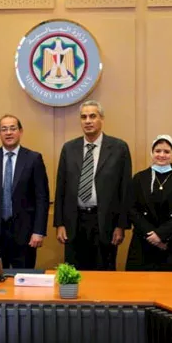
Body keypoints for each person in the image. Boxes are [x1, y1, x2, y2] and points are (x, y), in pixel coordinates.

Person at [54, 100, 132, 271]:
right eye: (83, 117)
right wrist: (59, 224)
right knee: (74, 274)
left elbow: (125, 190)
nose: (88, 121)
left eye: (92, 116)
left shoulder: (119, 148)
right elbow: (61, 188)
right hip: (75, 222)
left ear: (101, 119)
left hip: (105, 223)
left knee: (104, 274)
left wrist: (121, 226)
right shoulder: (69, 148)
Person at [0, 115, 50, 268]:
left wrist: (39, 231)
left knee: (23, 278)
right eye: (4, 129)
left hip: (25, 234)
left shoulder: (33, 158)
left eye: (12, 128)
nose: (8, 132)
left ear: (20, 131)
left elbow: (42, 198)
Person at [126, 135, 172, 271]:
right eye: (158, 151)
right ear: (152, 153)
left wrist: (161, 235)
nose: (162, 155)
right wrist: (151, 235)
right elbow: (131, 209)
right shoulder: (139, 178)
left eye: (166, 151)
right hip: (144, 243)